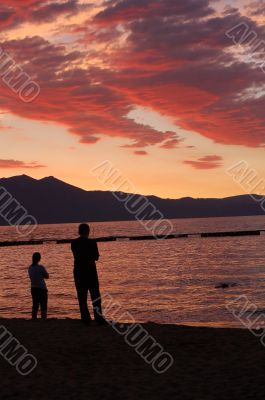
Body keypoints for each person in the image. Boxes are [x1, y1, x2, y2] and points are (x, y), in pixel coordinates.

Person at [71, 223, 106, 325]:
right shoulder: (92, 242)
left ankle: (85, 319)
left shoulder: (74, 243)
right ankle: (98, 318)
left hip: (78, 272)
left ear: (79, 231)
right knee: (95, 296)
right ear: (88, 231)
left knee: (82, 297)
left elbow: (76, 255)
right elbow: (96, 257)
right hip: (90, 272)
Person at [28, 252, 49, 320]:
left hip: (33, 288)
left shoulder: (30, 268)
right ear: (39, 259)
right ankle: (43, 318)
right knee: (43, 304)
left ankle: (34, 318)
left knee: (35, 304)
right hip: (42, 288)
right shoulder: (41, 267)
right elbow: (47, 276)